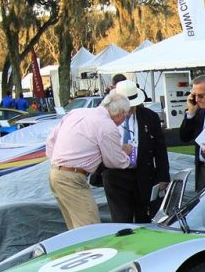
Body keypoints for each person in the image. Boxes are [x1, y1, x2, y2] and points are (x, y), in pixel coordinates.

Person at [45, 91, 132, 229]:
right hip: (73, 178)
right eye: (125, 116)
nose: (123, 120)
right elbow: (115, 161)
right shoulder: (107, 126)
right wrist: (126, 154)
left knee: (74, 229)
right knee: (90, 228)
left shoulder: (76, 113)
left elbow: (51, 142)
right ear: (120, 114)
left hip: (55, 173)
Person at [101, 79, 171, 224]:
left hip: (143, 174)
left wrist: (163, 176)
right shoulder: (104, 118)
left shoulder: (150, 117)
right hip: (116, 175)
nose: (129, 109)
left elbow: (160, 149)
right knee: (121, 219)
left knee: (144, 217)